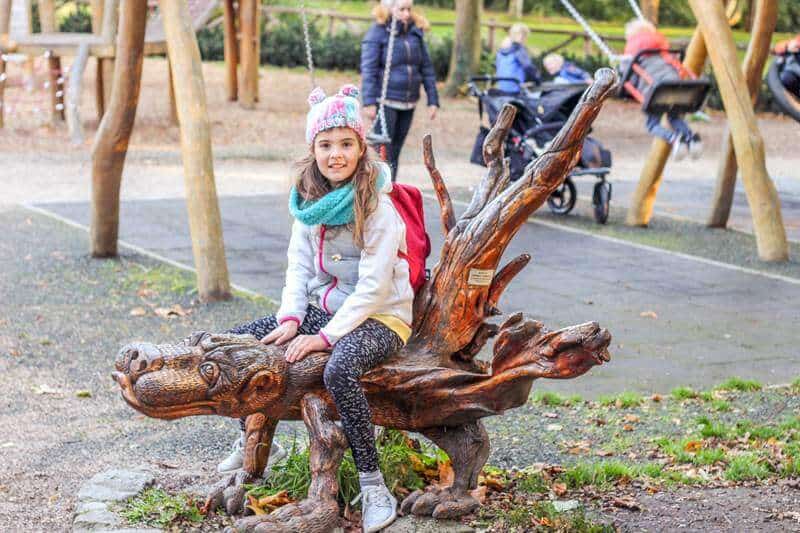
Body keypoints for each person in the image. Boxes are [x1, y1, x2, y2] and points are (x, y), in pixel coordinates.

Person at [222, 84, 412, 533]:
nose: (336, 154)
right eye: (326, 145)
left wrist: (324, 337)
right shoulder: (309, 205)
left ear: (361, 148)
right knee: (243, 339)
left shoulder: (380, 209)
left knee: (338, 370)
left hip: (381, 316)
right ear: (313, 150)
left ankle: (372, 483)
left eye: (346, 144)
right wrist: (291, 318)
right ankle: (245, 437)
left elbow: (372, 288)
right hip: (324, 310)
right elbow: (298, 266)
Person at [360, 0, 439, 181]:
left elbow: (426, 68)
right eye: (401, 9)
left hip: (408, 102)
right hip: (385, 101)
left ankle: (391, 188)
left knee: (395, 150)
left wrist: (432, 100)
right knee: (382, 152)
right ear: (389, 8)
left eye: (409, 9)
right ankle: (377, 189)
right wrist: (369, 102)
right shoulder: (377, 33)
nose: (406, 14)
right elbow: (369, 69)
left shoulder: (414, 33)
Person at [622, 19, 702, 160]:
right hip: (676, 87)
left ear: (631, 35)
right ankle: (691, 138)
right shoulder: (663, 47)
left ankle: (674, 138)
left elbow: (629, 77)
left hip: (655, 91)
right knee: (674, 117)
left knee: (652, 125)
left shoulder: (632, 51)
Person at [495, 23, 541, 93]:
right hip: (516, 89)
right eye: (526, 37)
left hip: (501, 87)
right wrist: (537, 79)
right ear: (522, 36)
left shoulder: (501, 50)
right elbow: (528, 67)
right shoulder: (518, 50)